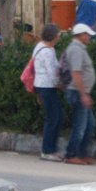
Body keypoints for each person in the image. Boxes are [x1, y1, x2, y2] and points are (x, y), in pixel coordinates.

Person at [62, 23, 96, 166]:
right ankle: (71, 155)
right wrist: (83, 95)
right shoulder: (76, 50)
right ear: (81, 35)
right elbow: (76, 74)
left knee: (89, 125)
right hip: (77, 92)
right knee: (80, 126)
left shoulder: (79, 49)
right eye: (87, 35)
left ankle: (82, 154)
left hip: (81, 92)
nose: (89, 37)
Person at [32, 24, 65, 162]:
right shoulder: (48, 52)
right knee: (53, 118)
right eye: (58, 35)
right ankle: (47, 150)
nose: (59, 37)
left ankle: (51, 149)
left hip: (41, 85)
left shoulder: (40, 47)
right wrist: (60, 85)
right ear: (53, 36)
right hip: (47, 86)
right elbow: (52, 72)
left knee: (55, 117)